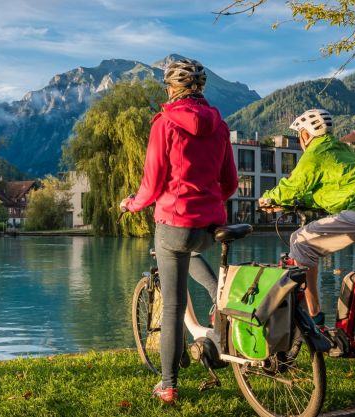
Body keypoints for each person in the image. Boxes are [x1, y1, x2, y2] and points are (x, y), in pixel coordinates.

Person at [258, 108, 355, 385]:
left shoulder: (315, 152)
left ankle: (315, 316)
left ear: (305, 135)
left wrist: (268, 199)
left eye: (299, 136)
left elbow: (294, 185)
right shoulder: (343, 151)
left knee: (301, 242)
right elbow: (336, 188)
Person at [120, 58, 237, 405]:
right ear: (200, 88)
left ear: (172, 88)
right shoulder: (221, 125)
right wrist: (209, 200)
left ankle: (168, 384)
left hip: (174, 221)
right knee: (193, 248)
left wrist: (132, 204)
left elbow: (153, 182)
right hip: (211, 226)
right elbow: (229, 182)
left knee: (171, 305)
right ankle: (218, 297)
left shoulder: (164, 122)